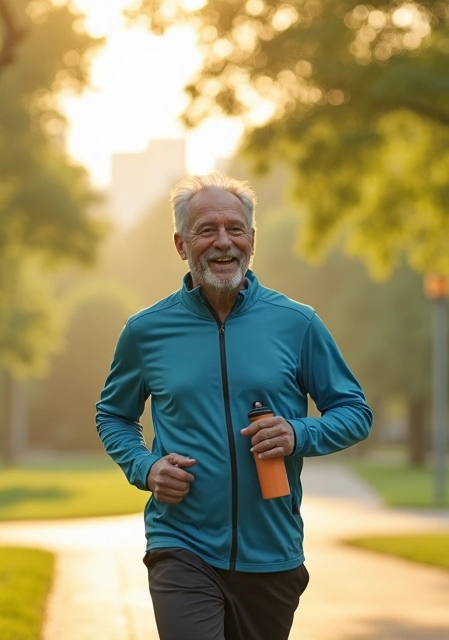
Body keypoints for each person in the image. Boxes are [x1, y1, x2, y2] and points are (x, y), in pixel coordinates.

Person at [95, 172, 373, 640]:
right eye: (207, 230)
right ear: (182, 245)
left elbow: (354, 411)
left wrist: (298, 433)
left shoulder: (297, 323)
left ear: (251, 241)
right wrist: (145, 468)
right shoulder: (146, 331)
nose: (223, 242)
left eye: (235, 229)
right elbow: (114, 415)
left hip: (272, 553)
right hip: (180, 544)